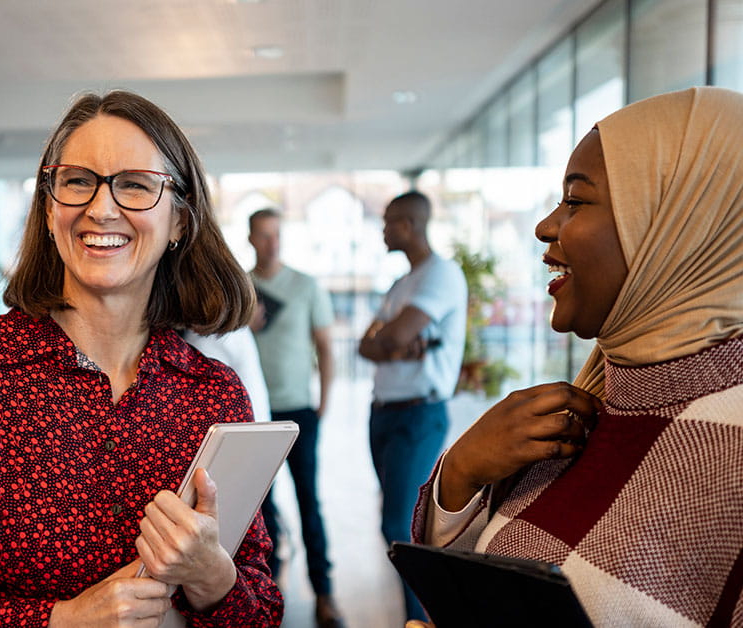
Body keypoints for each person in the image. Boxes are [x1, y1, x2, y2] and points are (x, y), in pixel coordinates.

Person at [0, 90, 282, 627]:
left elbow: (262, 610)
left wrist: (213, 576)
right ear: (50, 208)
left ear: (180, 223)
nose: (100, 207)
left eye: (135, 185)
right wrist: (60, 620)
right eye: (77, 181)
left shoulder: (213, 393)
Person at [410, 86, 743, 627]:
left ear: (678, 226)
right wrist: (463, 471)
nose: (545, 227)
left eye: (577, 201)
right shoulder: (589, 404)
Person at [356, 190, 466, 622]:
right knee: (396, 523)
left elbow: (390, 338)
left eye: (388, 222)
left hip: (417, 415)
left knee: (402, 527)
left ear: (409, 224)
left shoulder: (442, 275)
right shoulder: (402, 284)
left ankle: (423, 619)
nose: (383, 230)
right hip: (384, 412)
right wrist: (389, 342)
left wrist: (390, 341)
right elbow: (369, 346)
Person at [247, 208, 343, 628]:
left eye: (277, 235)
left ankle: (325, 594)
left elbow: (324, 345)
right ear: (251, 239)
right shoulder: (240, 289)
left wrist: (323, 402)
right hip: (252, 416)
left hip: (298, 410)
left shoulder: (306, 286)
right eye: (264, 236)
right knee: (258, 508)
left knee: (309, 502)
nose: (272, 243)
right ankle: (268, 589)